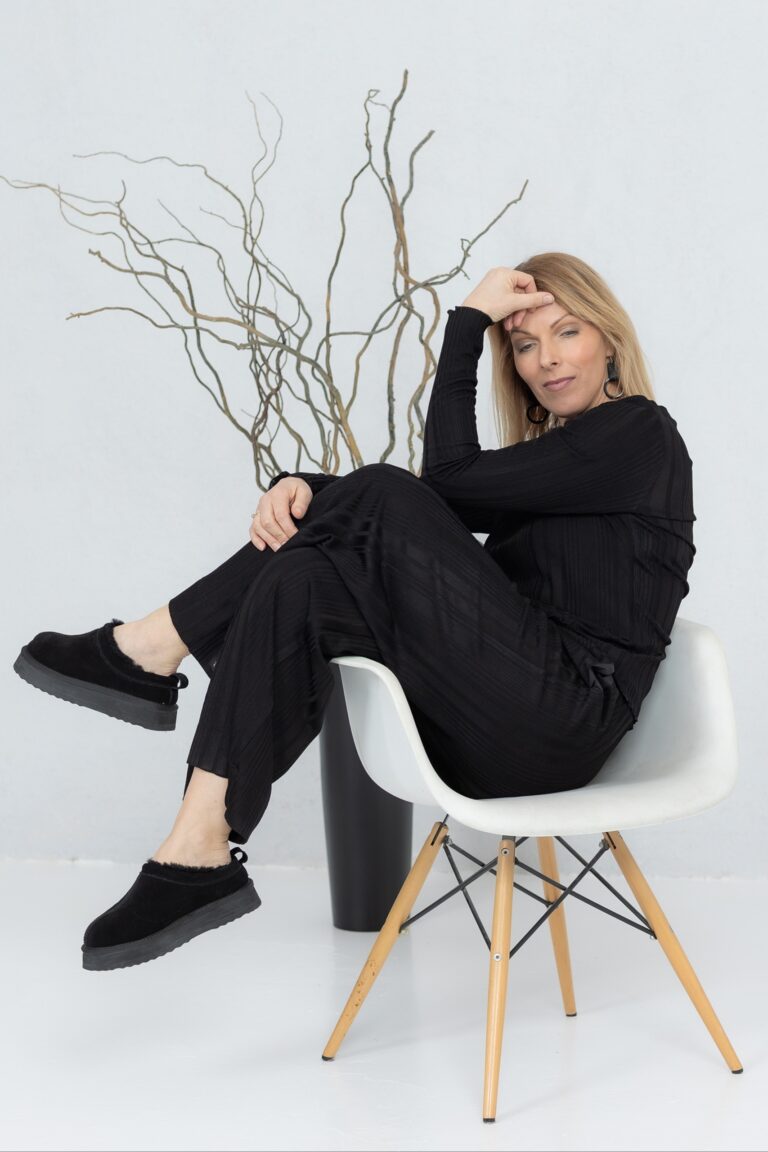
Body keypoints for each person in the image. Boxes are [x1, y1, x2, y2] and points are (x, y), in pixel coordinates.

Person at [13, 254, 696, 971]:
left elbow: (437, 484)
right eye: (525, 345)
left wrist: (467, 321)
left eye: (567, 332)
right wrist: (305, 490)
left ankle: (147, 650)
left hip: (562, 723)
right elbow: (436, 507)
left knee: (379, 495)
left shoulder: (640, 434)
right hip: (497, 726)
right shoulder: (562, 464)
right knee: (307, 575)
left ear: (609, 339)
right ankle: (197, 847)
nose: (547, 359)